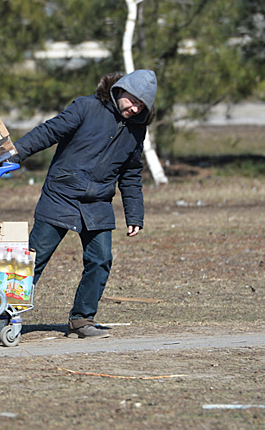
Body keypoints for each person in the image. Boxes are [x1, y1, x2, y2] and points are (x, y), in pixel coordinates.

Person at [11, 69, 156, 338]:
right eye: (132, 101)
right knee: (33, 259)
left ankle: (82, 319)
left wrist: (134, 214)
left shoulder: (138, 129)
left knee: (100, 260)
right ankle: (5, 316)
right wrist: (14, 154)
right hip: (61, 194)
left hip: (98, 201)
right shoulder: (86, 107)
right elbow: (48, 132)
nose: (134, 109)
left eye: (141, 106)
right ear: (121, 90)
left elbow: (131, 173)